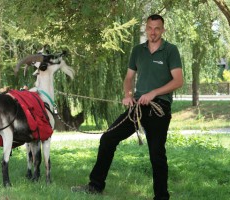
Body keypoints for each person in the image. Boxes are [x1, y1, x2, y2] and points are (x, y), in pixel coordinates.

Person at [71, 14, 183, 200]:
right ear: (146, 29)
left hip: (159, 107)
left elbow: (178, 81)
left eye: (157, 28)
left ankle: (161, 197)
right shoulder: (138, 51)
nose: (153, 32)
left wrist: (154, 93)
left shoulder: (171, 50)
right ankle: (95, 186)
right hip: (137, 107)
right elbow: (129, 78)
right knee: (108, 139)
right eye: (150, 28)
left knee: (156, 153)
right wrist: (128, 95)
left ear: (163, 30)